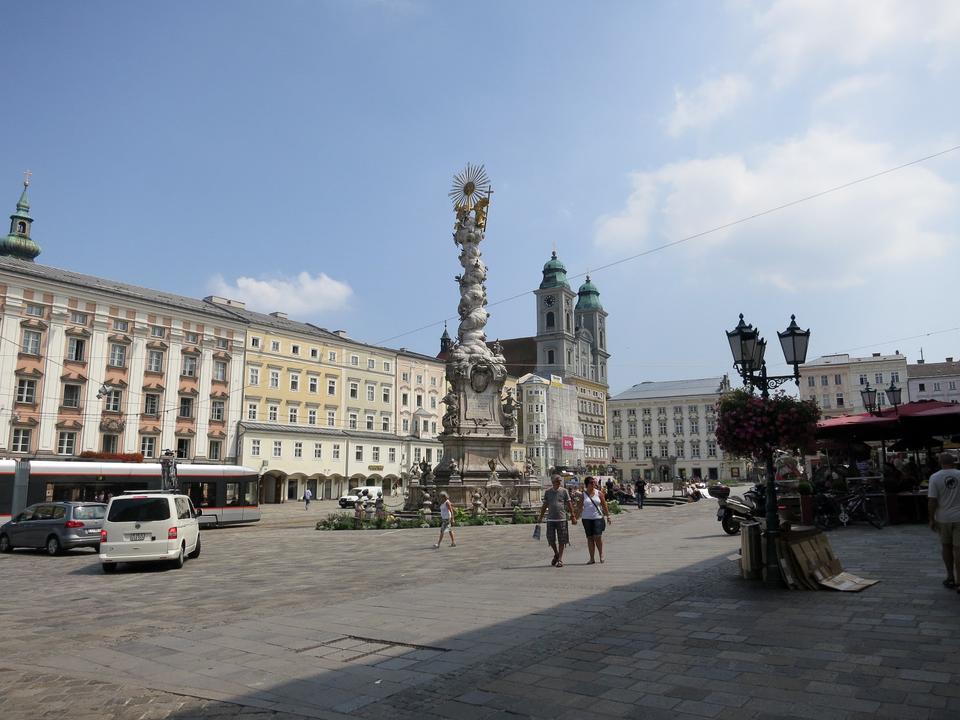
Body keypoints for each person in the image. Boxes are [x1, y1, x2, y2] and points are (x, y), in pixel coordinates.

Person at [928, 452, 960, 591]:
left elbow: (932, 500)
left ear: (940, 463)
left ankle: (950, 577)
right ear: (954, 462)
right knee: (958, 550)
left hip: (943, 518)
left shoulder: (935, 477)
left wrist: (931, 518)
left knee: (946, 547)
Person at [537, 474, 578, 568]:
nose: (560, 482)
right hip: (551, 519)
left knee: (562, 539)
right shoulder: (548, 492)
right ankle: (556, 553)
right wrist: (540, 516)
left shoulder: (564, 491)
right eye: (558, 480)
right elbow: (545, 505)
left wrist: (573, 516)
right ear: (553, 481)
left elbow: (569, 503)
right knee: (550, 539)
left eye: (560, 480)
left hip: (562, 518)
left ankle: (560, 559)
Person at [576, 476, 612, 564]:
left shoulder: (599, 493)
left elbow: (604, 505)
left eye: (594, 482)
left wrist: (608, 516)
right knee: (589, 538)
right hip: (586, 518)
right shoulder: (583, 495)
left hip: (597, 518)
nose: (593, 484)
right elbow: (580, 507)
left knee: (597, 536)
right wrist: (575, 517)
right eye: (591, 483)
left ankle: (601, 554)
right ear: (587, 484)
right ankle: (592, 558)